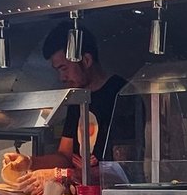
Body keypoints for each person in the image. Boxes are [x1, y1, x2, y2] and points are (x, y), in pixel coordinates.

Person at [36, 21, 136, 179]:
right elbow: (65, 156)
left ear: (87, 60)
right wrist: (29, 163)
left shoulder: (121, 94)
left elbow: (123, 168)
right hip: (82, 194)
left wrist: (66, 174)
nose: (62, 78)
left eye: (64, 68)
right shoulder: (78, 96)